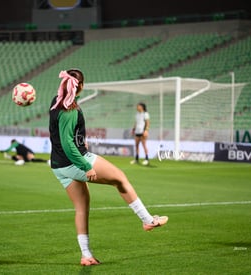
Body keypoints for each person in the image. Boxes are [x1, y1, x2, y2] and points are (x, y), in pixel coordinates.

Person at [49, 69, 168, 266]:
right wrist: (85, 165)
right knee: (120, 179)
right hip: (75, 161)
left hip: (58, 166)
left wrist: (81, 141)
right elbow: (68, 144)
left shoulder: (56, 102)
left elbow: (61, 133)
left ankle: (86, 255)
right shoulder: (71, 109)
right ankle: (148, 219)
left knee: (81, 208)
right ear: (81, 86)